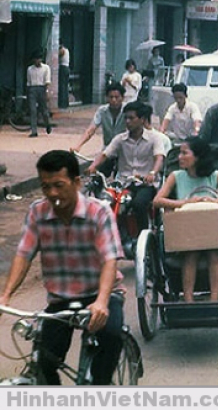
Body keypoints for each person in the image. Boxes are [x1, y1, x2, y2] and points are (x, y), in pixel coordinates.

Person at [0, 150, 125, 385]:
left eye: (58, 185)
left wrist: (101, 301)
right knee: (44, 361)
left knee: (110, 337)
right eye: (45, 187)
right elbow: (24, 255)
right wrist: (5, 296)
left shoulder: (98, 212)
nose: (52, 193)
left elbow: (110, 259)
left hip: (101, 294)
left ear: (76, 183)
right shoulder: (37, 212)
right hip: (61, 300)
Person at [153, 137, 218, 302]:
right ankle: (188, 300)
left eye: (184, 153)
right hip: (189, 229)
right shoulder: (176, 176)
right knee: (191, 254)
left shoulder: (214, 176)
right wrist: (184, 202)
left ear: (197, 156)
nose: (179, 157)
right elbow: (157, 201)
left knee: (214, 254)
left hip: (212, 227)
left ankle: (214, 299)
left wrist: (216, 201)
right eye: (180, 153)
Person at [87, 101, 166, 235]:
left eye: (131, 118)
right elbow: (105, 154)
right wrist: (93, 166)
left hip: (145, 184)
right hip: (123, 184)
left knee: (138, 204)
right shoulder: (120, 139)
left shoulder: (155, 138)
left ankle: (144, 235)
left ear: (142, 120)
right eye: (126, 118)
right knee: (107, 202)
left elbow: (159, 157)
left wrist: (152, 173)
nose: (127, 121)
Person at [72, 82, 127, 177]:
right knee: (98, 177)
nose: (114, 100)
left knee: (122, 180)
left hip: (125, 150)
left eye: (117, 97)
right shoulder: (102, 111)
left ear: (123, 97)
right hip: (107, 150)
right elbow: (91, 129)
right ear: (106, 98)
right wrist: (78, 145)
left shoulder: (128, 110)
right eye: (111, 97)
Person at [26, 52, 53, 138]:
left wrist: (47, 92)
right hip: (32, 89)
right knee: (33, 110)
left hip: (42, 88)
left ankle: (47, 124)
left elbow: (47, 81)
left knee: (44, 110)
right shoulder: (30, 69)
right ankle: (34, 131)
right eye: (36, 59)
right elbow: (29, 82)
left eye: (39, 59)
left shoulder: (46, 68)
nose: (37, 61)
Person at [58, 43, 70, 109]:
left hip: (63, 68)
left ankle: (62, 104)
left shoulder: (62, 50)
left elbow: (57, 56)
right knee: (65, 86)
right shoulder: (67, 50)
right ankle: (66, 103)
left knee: (62, 86)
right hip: (67, 68)